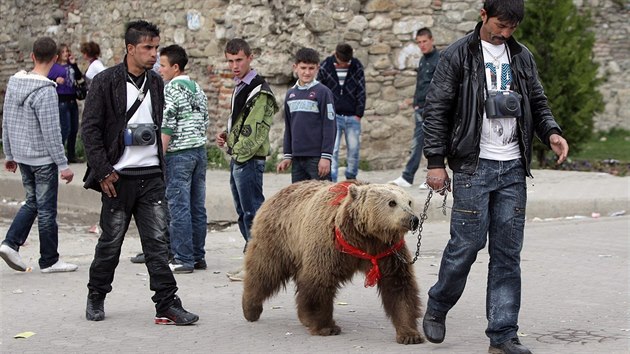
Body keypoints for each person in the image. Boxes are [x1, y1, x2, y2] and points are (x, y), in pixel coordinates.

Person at [421, 1, 569, 353]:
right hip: (474, 165)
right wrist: (435, 162)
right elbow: (436, 109)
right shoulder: (459, 54)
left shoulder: (521, 56)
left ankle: (502, 336)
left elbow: (537, 100)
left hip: (513, 167)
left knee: (507, 254)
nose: (505, 33)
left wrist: (551, 132)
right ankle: (439, 305)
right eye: (501, 25)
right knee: (467, 245)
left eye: (512, 28)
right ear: (484, 15)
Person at [81, 20, 198, 325]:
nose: (153, 54)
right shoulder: (106, 81)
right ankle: (96, 295)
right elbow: (89, 130)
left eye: (156, 48)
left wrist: (160, 168)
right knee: (110, 244)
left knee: (158, 244)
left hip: (151, 176)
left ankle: (167, 303)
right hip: (118, 178)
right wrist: (103, 170)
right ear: (130, 49)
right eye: (148, 47)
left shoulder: (157, 83)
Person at [0, 37, 78, 273]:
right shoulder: (46, 92)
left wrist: (9, 153)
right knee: (46, 210)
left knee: (33, 201)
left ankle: (10, 244)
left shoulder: (14, 84)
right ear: (55, 60)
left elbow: (7, 120)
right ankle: (49, 259)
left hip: (22, 156)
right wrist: (63, 164)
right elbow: (52, 132)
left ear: (32, 56)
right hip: (42, 159)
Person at [215, 38, 278, 281]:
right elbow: (242, 123)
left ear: (250, 58)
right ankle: (252, 261)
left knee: (253, 212)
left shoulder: (259, 90)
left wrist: (237, 150)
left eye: (239, 60)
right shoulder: (240, 85)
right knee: (243, 212)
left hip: (249, 159)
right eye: (230, 61)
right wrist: (227, 137)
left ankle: (260, 267)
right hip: (239, 157)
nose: (234, 65)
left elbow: (255, 132)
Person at [158, 44, 209, 274]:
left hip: (179, 154)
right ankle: (198, 256)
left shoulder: (171, 89)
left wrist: (161, 153)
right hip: (199, 151)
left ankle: (182, 258)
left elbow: (168, 122)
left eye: (163, 65)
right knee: (197, 206)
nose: (160, 69)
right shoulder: (197, 88)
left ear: (175, 67)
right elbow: (205, 118)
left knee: (179, 207)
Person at [389, 27, 440, 190]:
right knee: (420, 144)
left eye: (425, 41)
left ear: (432, 40)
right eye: (419, 42)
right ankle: (409, 177)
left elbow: (439, 86)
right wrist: (414, 102)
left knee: (430, 144)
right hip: (420, 108)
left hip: (432, 109)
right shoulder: (423, 60)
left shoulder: (439, 59)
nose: (422, 45)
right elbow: (421, 85)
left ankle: (420, 178)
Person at [276, 48, 336, 183]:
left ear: (317, 68)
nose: (307, 72)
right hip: (297, 159)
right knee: (299, 200)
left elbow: (330, 126)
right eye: (303, 68)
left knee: (323, 199)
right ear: (295, 67)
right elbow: (289, 127)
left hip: (317, 158)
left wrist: (326, 157)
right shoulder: (290, 94)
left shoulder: (323, 92)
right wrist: (287, 156)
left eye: (311, 68)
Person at [316, 43, 366, 182]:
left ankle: (351, 177)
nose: (345, 65)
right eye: (342, 62)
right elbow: (320, 90)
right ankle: (331, 180)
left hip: (352, 116)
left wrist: (358, 114)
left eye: (347, 63)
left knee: (354, 150)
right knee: (333, 149)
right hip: (333, 116)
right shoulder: (326, 65)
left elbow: (361, 90)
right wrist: (324, 113)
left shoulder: (356, 65)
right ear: (335, 56)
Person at [47, 43, 83, 163]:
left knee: (74, 129)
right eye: (63, 52)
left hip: (72, 100)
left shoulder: (71, 66)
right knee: (65, 128)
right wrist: (55, 80)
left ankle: (71, 155)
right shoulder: (54, 67)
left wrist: (74, 64)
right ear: (58, 54)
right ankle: (59, 156)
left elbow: (79, 77)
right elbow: (46, 80)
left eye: (67, 51)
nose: (66, 54)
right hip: (61, 100)